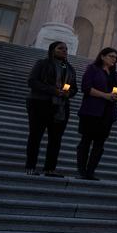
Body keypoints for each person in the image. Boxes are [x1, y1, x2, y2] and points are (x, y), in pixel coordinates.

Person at [25, 40, 76, 177]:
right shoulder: (42, 63)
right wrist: (53, 91)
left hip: (60, 107)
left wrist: (68, 93)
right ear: (52, 50)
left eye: (66, 48)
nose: (65, 51)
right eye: (60, 48)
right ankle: (30, 166)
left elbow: (74, 88)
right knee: (36, 136)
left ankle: (50, 168)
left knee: (56, 139)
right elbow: (32, 81)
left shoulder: (69, 68)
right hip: (40, 103)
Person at [75, 47, 117, 180]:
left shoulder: (115, 75)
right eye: (111, 56)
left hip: (108, 113)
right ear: (102, 56)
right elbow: (86, 88)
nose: (114, 59)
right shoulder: (93, 69)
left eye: (115, 57)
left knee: (99, 144)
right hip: (91, 111)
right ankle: (82, 170)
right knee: (86, 141)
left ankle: (91, 171)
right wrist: (105, 96)